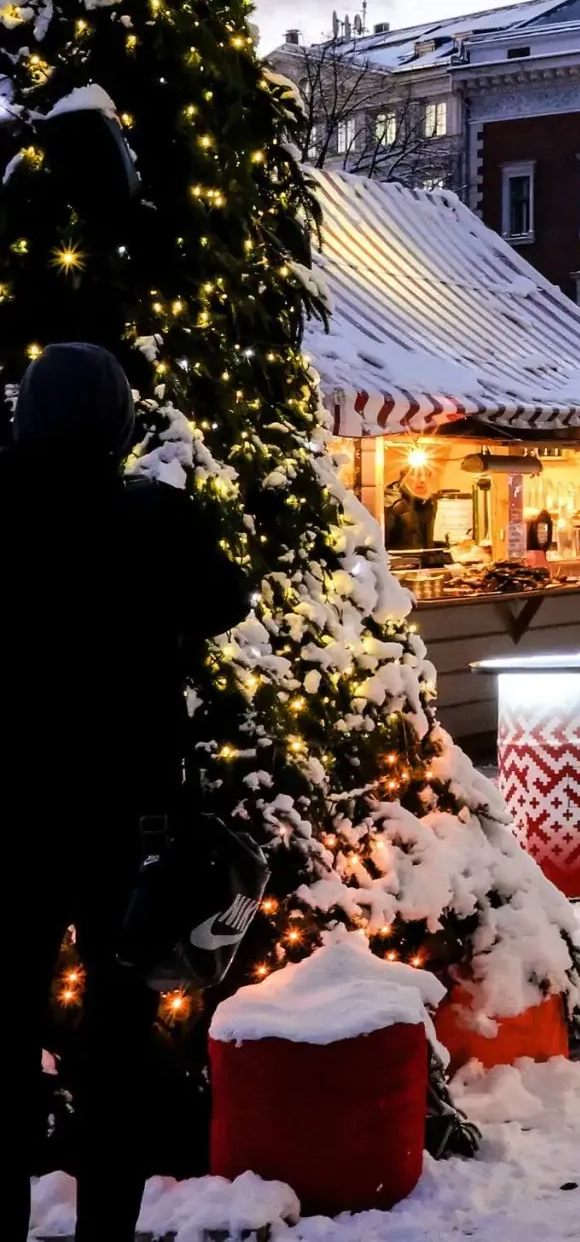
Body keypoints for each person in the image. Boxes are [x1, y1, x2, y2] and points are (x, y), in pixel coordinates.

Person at [7, 343, 254, 1242]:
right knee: (118, 1045)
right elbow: (227, 600)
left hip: (14, 820)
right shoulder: (150, 515)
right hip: (126, 825)